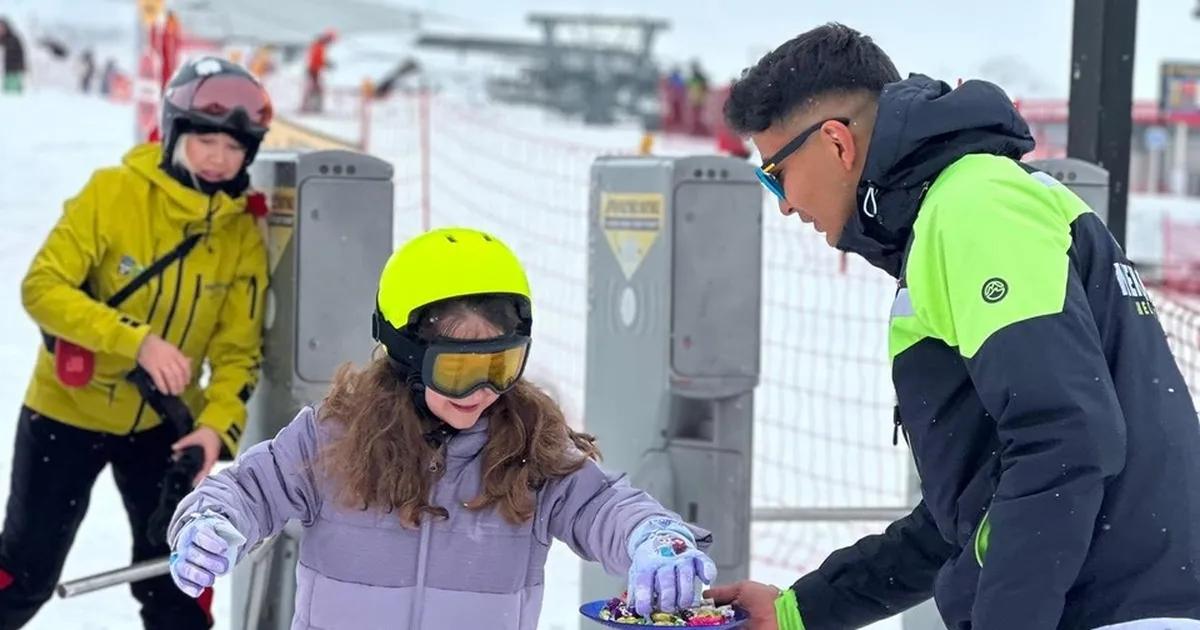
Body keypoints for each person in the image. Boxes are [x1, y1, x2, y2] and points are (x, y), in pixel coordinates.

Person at [707, 22, 1200, 630]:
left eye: (774, 172)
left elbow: (1065, 441)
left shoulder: (973, 207)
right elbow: (966, 517)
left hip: (1110, 611)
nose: (782, 202)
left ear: (836, 143)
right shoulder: (951, 214)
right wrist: (798, 613)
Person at [165, 227, 719, 629]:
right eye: (457, 369)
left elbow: (605, 507)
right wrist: (209, 521)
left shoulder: (526, 449)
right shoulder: (334, 437)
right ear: (407, 356)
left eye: (501, 365)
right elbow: (247, 488)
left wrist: (655, 537)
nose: (483, 391)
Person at [0, 56, 272, 630]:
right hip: (64, 413)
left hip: (160, 428)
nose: (220, 159)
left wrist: (213, 429)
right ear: (174, 132)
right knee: (25, 574)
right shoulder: (114, 193)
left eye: (235, 147)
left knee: (175, 581)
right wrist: (137, 342)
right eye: (206, 140)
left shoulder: (242, 234)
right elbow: (42, 287)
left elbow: (237, 355)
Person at [0, 18, 26, 95]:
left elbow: (20, 55)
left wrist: (20, 68)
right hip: (7, 71)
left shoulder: (12, 39)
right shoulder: (5, 40)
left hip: (14, 71)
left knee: (12, 94)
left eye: (1, 28)